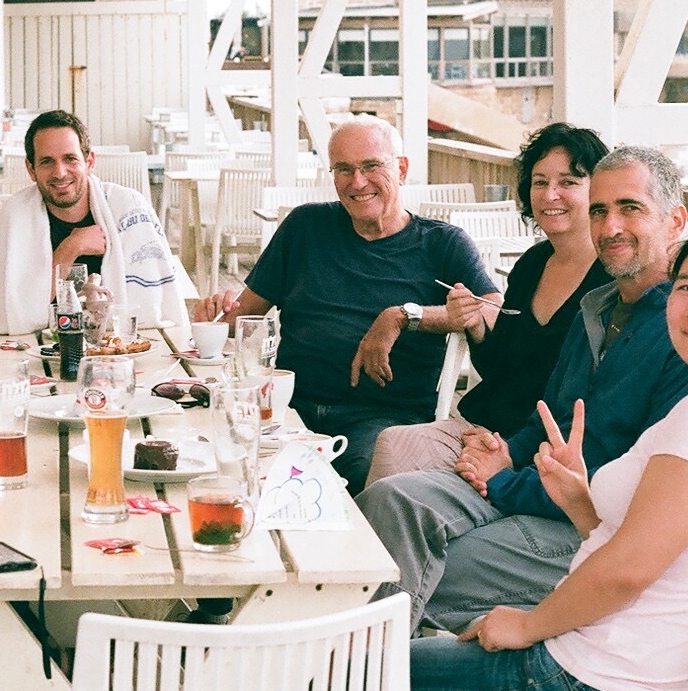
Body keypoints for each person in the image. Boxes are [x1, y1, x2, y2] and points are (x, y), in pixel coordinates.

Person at [410, 212, 688, 691]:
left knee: (344, 676)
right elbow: (662, 551)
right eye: (686, 287)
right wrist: (579, 502)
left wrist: (527, 625)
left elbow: (627, 571)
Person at [357, 145, 688, 633]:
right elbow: (547, 415)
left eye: (630, 208)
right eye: (600, 210)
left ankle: (371, 669)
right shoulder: (596, 309)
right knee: (389, 500)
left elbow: (625, 484)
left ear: (674, 221)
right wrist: (508, 452)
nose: (610, 226)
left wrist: (503, 480)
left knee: (414, 563)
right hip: (532, 485)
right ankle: (370, 662)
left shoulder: (684, 332)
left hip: (591, 526)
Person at [191, 115, 499, 495]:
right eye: (344, 169)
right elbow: (243, 314)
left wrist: (404, 316)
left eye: (371, 166)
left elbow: (492, 311)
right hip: (288, 410)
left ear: (402, 169)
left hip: (382, 421)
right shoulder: (305, 226)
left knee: (373, 492)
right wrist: (215, 312)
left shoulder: (442, 244)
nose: (357, 182)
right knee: (213, 464)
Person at [365, 123, 611, 483]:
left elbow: (593, 394)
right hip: (486, 426)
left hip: (542, 447)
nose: (550, 195)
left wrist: (510, 448)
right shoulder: (532, 264)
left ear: (599, 190)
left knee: (402, 484)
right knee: (393, 444)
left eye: (568, 182)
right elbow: (501, 366)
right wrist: (476, 324)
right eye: (539, 182)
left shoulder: (610, 280)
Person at [0, 109, 188, 334]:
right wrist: (71, 247)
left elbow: (152, 307)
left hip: (122, 342)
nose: (60, 173)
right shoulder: (16, 214)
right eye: (47, 161)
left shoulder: (128, 208)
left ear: (89, 162)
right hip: (39, 344)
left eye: (70, 159)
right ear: (31, 169)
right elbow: (18, 312)